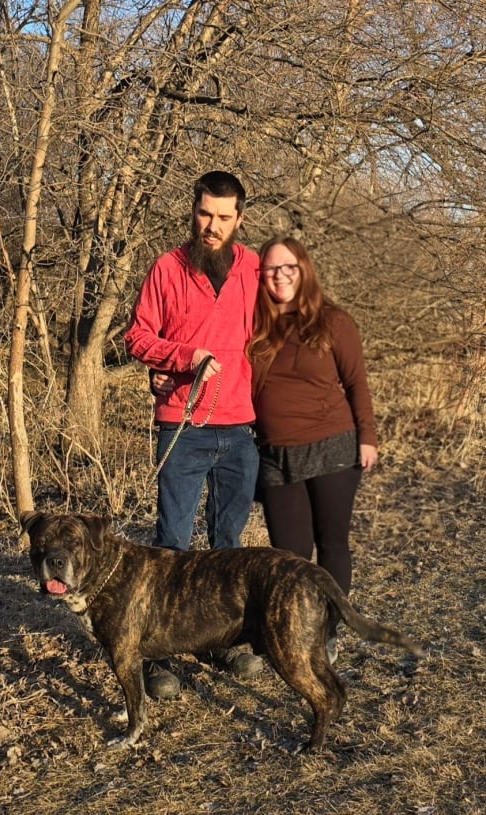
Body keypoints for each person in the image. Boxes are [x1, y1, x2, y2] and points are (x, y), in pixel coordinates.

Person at [124, 170, 264, 698]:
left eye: (224, 218)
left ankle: (220, 639)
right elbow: (138, 335)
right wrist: (182, 358)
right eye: (205, 214)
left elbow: (276, 338)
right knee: (172, 547)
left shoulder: (255, 269)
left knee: (228, 547)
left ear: (239, 219)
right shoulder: (168, 267)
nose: (212, 226)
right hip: (182, 425)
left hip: (241, 427)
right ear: (193, 210)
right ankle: (157, 654)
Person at [247, 236, 378, 662]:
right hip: (275, 455)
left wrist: (368, 437)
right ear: (260, 275)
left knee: (331, 544)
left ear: (303, 270)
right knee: (289, 555)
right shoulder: (254, 324)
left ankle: (327, 630)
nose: (280, 275)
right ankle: (294, 625)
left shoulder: (333, 322)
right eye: (270, 269)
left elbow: (356, 382)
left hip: (332, 449)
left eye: (289, 267)